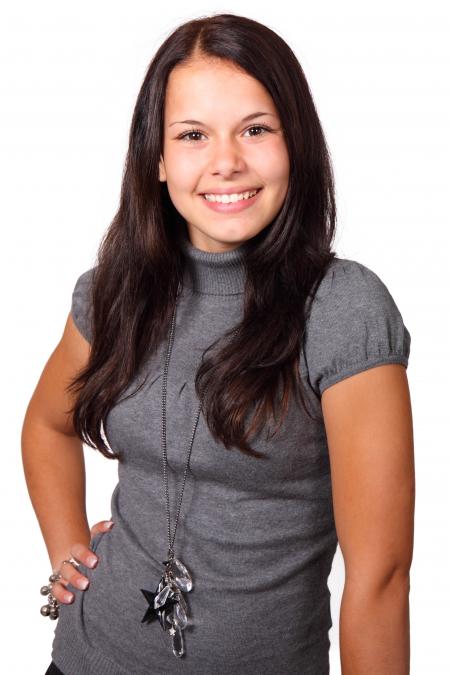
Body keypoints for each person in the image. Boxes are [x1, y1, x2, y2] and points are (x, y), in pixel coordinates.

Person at [21, 12, 414, 675]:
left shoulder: (343, 309)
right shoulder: (112, 291)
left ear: (297, 144)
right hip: (89, 657)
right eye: (193, 135)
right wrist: (68, 547)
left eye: (256, 130)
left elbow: (382, 579)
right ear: (158, 159)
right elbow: (45, 424)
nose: (226, 161)